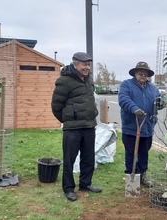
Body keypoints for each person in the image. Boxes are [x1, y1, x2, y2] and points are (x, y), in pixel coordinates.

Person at [51, 52, 102, 202]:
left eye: (88, 64)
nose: (87, 67)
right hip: (72, 129)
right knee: (69, 159)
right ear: (75, 64)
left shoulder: (88, 80)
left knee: (88, 158)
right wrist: (68, 119)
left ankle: (85, 184)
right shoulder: (64, 81)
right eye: (84, 64)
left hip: (89, 126)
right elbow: (56, 106)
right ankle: (68, 188)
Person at [118, 61, 163, 187]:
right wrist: (134, 109)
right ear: (135, 74)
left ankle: (142, 175)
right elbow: (123, 99)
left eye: (145, 73)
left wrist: (160, 103)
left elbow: (159, 103)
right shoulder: (126, 85)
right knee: (131, 153)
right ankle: (132, 181)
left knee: (144, 152)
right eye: (140, 73)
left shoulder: (153, 88)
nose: (143, 75)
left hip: (147, 126)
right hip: (131, 127)